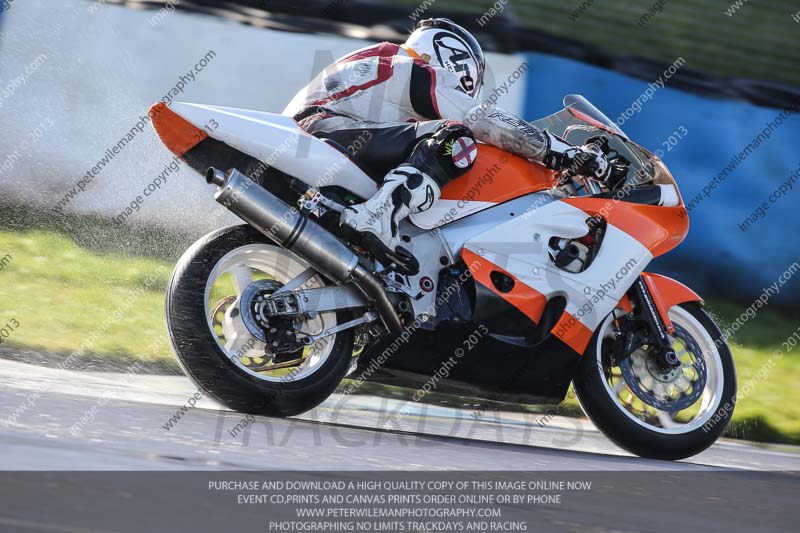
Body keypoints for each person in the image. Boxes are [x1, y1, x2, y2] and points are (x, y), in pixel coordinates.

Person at [284, 18, 609, 270]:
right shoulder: (413, 67)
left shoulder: (382, 66)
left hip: (319, 135)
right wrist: (563, 153)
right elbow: (481, 119)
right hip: (326, 131)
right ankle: (377, 216)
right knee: (456, 140)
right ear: (456, 58)